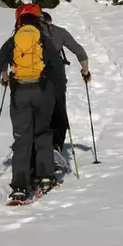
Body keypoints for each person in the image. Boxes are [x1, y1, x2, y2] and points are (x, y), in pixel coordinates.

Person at [0, 4, 67, 203]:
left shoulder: (14, 39)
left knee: (22, 139)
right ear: (37, 20)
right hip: (43, 93)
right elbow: (57, 66)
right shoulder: (43, 39)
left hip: (20, 94)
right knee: (42, 132)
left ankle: (20, 187)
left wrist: (8, 71)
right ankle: (46, 176)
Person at [41, 11, 91, 155]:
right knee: (59, 113)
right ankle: (55, 146)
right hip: (56, 80)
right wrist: (85, 71)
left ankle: (36, 149)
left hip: (30, 81)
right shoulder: (59, 32)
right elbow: (80, 52)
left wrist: (5, 76)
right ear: (50, 21)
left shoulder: (26, 33)